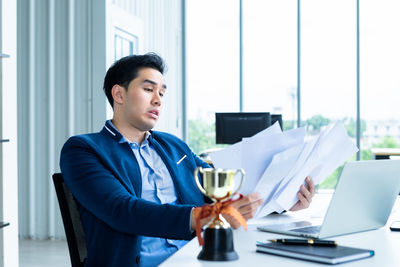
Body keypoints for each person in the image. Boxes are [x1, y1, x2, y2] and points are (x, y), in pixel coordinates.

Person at [60, 53, 315, 267]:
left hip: (193, 257)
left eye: (162, 92)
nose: (158, 99)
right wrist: (203, 217)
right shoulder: (84, 149)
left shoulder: (172, 145)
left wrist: (282, 199)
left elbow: (219, 191)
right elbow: (122, 210)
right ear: (119, 94)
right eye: (148, 89)